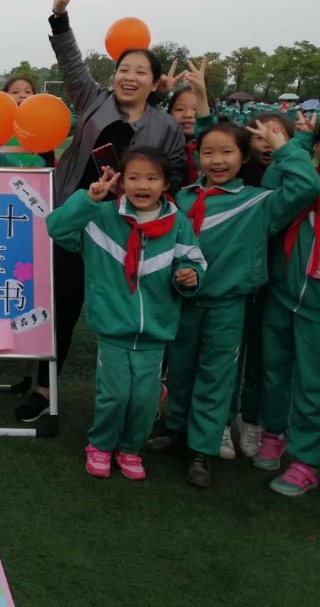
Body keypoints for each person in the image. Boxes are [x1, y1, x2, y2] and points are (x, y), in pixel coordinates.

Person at [16, 0, 189, 423]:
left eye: (140, 72)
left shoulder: (166, 127)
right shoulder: (92, 99)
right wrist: (59, 16)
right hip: (78, 220)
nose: (129, 77)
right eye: (123, 70)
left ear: (155, 82)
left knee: (129, 312)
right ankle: (43, 387)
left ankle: (137, 396)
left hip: (129, 233)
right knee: (61, 304)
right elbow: (71, 61)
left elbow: (175, 176)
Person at [148, 118, 320, 487]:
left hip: (227, 306)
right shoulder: (184, 198)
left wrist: (290, 145)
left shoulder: (259, 202)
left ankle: (202, 448)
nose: (217, 160)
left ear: (244, 158)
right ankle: (177, 427)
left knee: (216, 376)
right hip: (183, 302)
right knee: (180, 369)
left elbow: (307, 185)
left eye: (227, 152)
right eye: (208, 152)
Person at [46, 148, 206, 479]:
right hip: (113, 326)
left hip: (156, 330)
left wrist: (190, 275)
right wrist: (88, 200)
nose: (142, 185)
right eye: (133, 177)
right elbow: (56, 228)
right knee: (115, 394)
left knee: (146, 400)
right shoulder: (102, 216)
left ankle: (130, 449)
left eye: (152, 178)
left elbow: (193, 260)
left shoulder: (177, 223)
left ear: (165, 184)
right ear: (121, 182)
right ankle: (101, 445)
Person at [255, 121, 320, 495]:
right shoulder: (303, 169)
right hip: (282, 290)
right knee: (274, 368)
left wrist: (289, 148)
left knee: (312, 382)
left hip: (316, 303)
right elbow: (271, 189)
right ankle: (274, 432)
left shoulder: (305, 174)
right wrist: (300, 144)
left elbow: (308, 186)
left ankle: (307, 460)